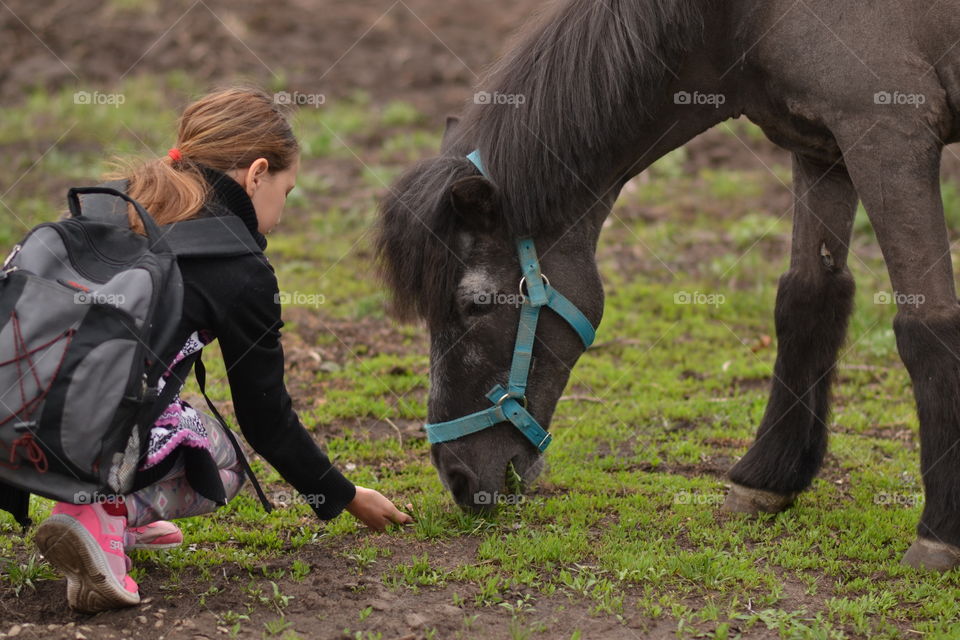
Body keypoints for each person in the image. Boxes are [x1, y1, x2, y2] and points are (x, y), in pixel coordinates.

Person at [32, 87, 413, 614]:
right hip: (87, 436)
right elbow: (266, 421)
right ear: (257, 174)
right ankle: (104, 517)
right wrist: (342, 495)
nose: (280, 213)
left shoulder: (110, 204)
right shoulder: (238, 268)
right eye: (287, 190)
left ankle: (100, 513)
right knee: (222, 458)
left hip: (22, 417)